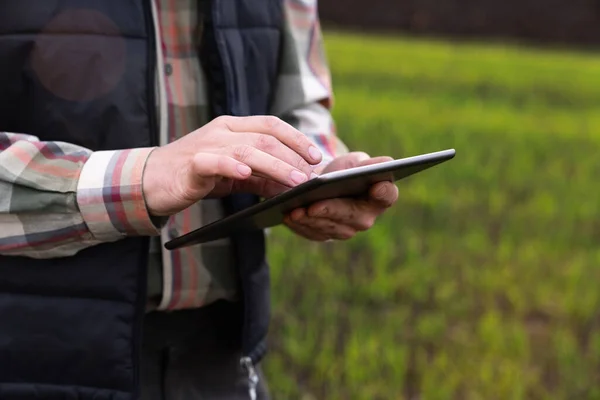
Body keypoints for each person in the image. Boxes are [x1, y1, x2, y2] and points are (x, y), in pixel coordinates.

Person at [0, 0, 398, 399]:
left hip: (223, 358)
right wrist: (141, 178)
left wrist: (318, 174)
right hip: (33, 356)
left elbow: (299, 103)